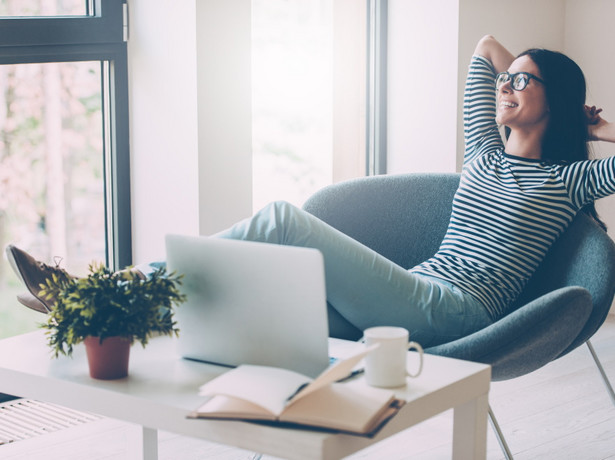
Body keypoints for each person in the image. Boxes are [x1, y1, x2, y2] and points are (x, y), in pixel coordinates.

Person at [7, 35, 615, 347]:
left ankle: (101, 292)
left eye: (524, 84)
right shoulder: (482, 151)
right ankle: (105, 313)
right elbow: (484, 47)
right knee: (256, 291)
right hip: (419, 285)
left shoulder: (567, 180)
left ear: (554, 102)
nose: (505, 86)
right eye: (507, 81)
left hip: (456, 313)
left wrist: (589, 122)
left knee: (281, 220)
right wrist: (524, 74)